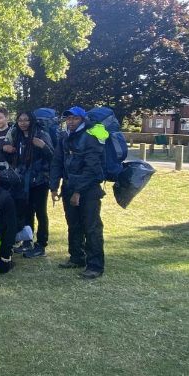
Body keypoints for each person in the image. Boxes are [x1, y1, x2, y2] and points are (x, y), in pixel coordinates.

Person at [49, 106, 106, 279]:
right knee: (73, 224)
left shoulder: (91, 138)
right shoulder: (64, 137)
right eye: (68, 119)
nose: (71, 121)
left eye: (75, 118)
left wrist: (78, 192)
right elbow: (57, 161)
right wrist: (53, 187)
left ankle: (95, 265)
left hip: (89, 189)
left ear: (83, 119)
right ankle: (76, 257)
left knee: (91, 226)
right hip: (68, 186)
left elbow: (92, 168)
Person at [4, 111, 53, 259]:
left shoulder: (42, 135)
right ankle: (27, 241)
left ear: (32, 121)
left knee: (41, 212)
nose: (23, 123)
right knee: (26, 211)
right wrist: (6, 151)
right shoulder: (17, 136)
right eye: (20, 120)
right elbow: (15, 159)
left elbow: (53, 157)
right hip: (23, 180)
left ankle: (41, 244)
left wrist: (43, 146)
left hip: (39, 180)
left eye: (26, 120)